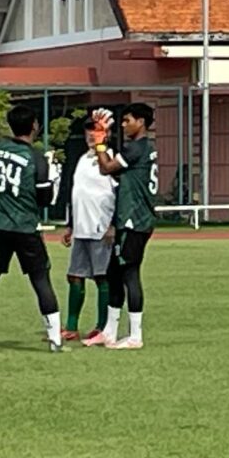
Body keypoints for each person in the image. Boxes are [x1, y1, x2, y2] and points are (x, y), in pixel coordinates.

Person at [0, 103, 61, 354]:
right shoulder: (37, 158)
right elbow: (44, 199)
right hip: (26, 226)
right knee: (41, 279)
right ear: (33, 126)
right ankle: (55, 340)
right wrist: (53, 182)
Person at [102, 102, 159, 349]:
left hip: (134, 220)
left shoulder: (137, 148)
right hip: (132, 218)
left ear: (141, 122)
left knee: (129, 273)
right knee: (113, 274)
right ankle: (110, 331)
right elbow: (122, 175)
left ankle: (135, 335)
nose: (124, 125)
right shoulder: (145, 149)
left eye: (127, 121)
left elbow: (107, 168)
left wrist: (99, 142)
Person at [64, 108, 121, 345]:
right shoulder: (81, 159)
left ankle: (101, 326)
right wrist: (70, 225)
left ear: (106, 133)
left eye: (96, 130)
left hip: (101, 228)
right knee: (74, 276)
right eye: (89, 129)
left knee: (102, 278)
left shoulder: (112, 158)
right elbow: (77, 193)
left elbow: (120, 193)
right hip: (81, 228)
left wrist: (114, 224)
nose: (91, 134)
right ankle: (71, 326)